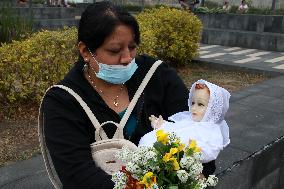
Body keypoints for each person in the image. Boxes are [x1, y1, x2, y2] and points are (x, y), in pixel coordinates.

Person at [40, 2, 217, 188]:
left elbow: (199, 134)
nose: (126, 58)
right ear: (85, 51)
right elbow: (77, 175)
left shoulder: (156, 76)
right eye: (114, 51)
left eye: (132, 47)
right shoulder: (63, 100)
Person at [139, 79, 231, 163]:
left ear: (212, 109)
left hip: (171, 160)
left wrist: (194, 149)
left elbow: (211, 151)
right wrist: (162, 125)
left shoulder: (211, 130)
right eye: (193, 103)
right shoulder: (188, 120)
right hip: (158, 151)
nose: (194, 108)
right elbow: (175, 129)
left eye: (200, 104)